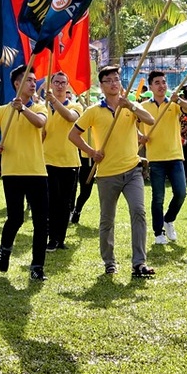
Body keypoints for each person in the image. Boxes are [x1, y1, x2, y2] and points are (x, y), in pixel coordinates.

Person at [68, 65, 156, 277]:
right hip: (107, 174)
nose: (114, 83)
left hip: (133, 169)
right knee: (107, 219)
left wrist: (131, 107)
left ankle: (139, 263)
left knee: (139, 211)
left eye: (116, 79)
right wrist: (91, 152)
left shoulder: (130, 106)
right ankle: (109, 261)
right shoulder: (94, 111)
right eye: (109, 80)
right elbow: (73, 135)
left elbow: (150, 120)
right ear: (102, 85)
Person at [0, 66, 50, 282]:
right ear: (17, 84)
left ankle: (37, 266)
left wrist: (23, 110)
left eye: (34, 80)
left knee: (41, 221)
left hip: (37, 171)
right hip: (12, 172)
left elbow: (40, 123)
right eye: (28, 80)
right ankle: (5, 248)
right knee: (16, 218)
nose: (32, 84)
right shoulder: (2, 111)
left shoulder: (39, 108)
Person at [140, 71, 187, 244]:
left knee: (181, 192)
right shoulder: (143, 107)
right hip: (155, 158)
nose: (162, 85)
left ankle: (169, 219)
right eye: (157, 82)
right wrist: (140, 136)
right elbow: (131, 125)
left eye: (164, 82)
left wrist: (178, 100)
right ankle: (158, 232)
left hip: (175, 155)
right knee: (158, 197)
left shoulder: (173, 103)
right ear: (151, 86)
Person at [42, 72, 82, 252]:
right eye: (56, 82)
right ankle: (51, 238)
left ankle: (61, 238)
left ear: (67, 86)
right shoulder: (42, 108)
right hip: (47, 160)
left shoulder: (75, 106)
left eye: (63, 83)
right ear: (50, 84)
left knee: (65, 203)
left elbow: (70, 117)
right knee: (50, 202)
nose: (59, 86)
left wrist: (54, 102)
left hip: (69, 161)